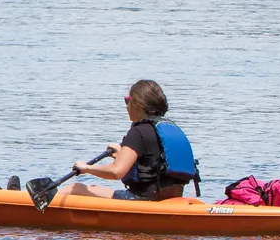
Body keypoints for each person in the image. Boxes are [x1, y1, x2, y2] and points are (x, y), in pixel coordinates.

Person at [50, 79, 200, 203]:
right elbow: (152, 161)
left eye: (128, 100)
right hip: (172, 197)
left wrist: (86, 168)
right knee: (94, 187)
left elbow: (116, 172)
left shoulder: (138, 132)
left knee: (75, 188)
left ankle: (36, 208)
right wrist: (121, 153)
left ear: (138, 104)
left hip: (143, 200)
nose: (126, 106)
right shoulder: (168, 128)